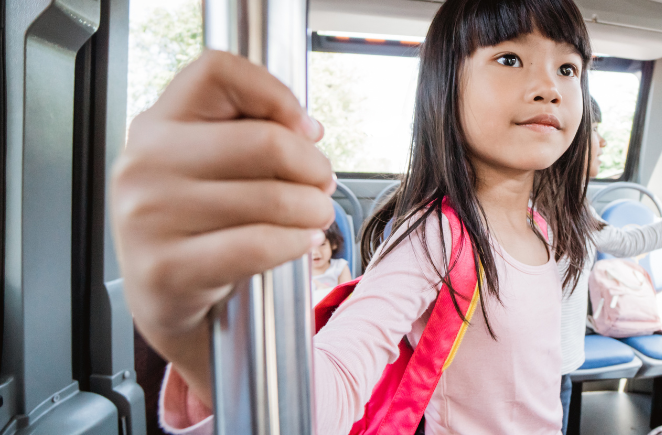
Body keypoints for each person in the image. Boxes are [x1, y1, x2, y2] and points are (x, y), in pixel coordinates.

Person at [112, 0, 606, 433]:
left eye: (568, 68)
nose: (549, 87)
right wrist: (194, 333)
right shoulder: (435, 236)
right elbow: (327, 393)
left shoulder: (542, 225)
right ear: (445, 87)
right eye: (510, 58)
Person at [557, 99, 662, 433]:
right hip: (537, 368)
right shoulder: (531, 209)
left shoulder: (574, 208)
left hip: (561, 366)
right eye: (595, 131)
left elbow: (624, 242)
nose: (603, 142)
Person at [311, 221, 352, 304]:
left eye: (322, 245)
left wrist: (327, 294)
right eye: (310, 246)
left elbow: (348, 298)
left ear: (333, 244)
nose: (315, 252)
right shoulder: (300, 273)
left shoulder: (340, 267)